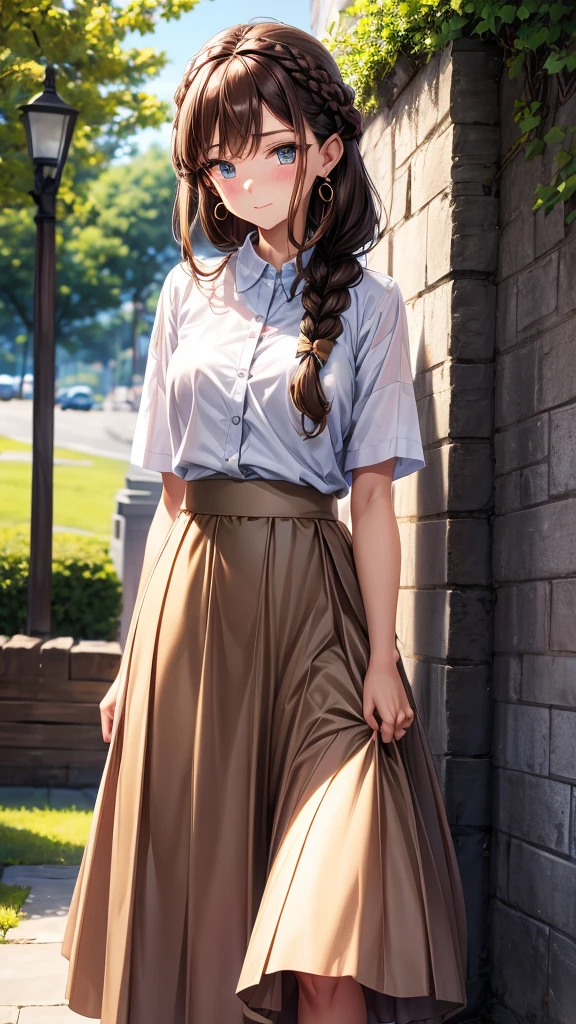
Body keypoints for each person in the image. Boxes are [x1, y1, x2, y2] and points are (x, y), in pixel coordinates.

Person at [61, 20, 468, 1024]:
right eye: (220, 162)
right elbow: (170, 496)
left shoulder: (370, 307)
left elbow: (373, 497)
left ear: (326, 150)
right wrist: (126, 662)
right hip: (194, 617)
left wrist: (383, 657)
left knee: (332, 927)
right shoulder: (181, 294)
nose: (244, 180)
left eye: (273, 149)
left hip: (317, 625)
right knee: (207, 906)